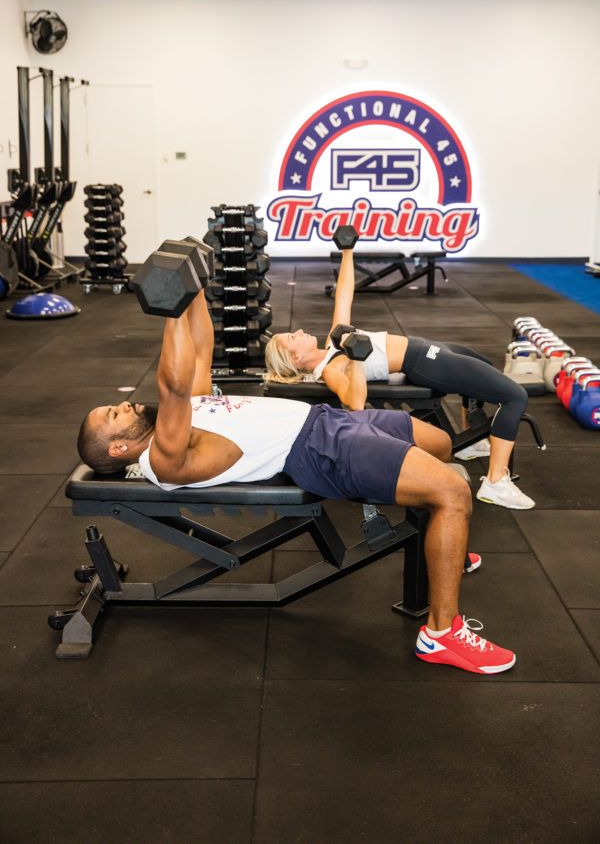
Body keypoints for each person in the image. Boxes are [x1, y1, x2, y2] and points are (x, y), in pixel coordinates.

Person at [78, 285, 515, 675]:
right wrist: (170, 306)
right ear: (118, 449)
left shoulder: (179, 419)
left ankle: (440, 549)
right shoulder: (164, 455)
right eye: (115, 415)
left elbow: (200, 347)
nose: (127, 405)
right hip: (319, 449)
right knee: (454, 491)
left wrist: (190, 290)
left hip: (326, 421)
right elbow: (171, 384)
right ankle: (441, 633)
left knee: (439, 444)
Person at [265, 247, 534, 511]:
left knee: (484, 366)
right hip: (424, 362)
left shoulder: (333, 343)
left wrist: (347, 251)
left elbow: (344, 296)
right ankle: (496, 482)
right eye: (292, 337)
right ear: (296, 360)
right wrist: (357, 356)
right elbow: (355, 403)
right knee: (514, 397)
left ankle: (471, 441)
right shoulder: (331, 369)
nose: (299, 331)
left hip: (428, 348)